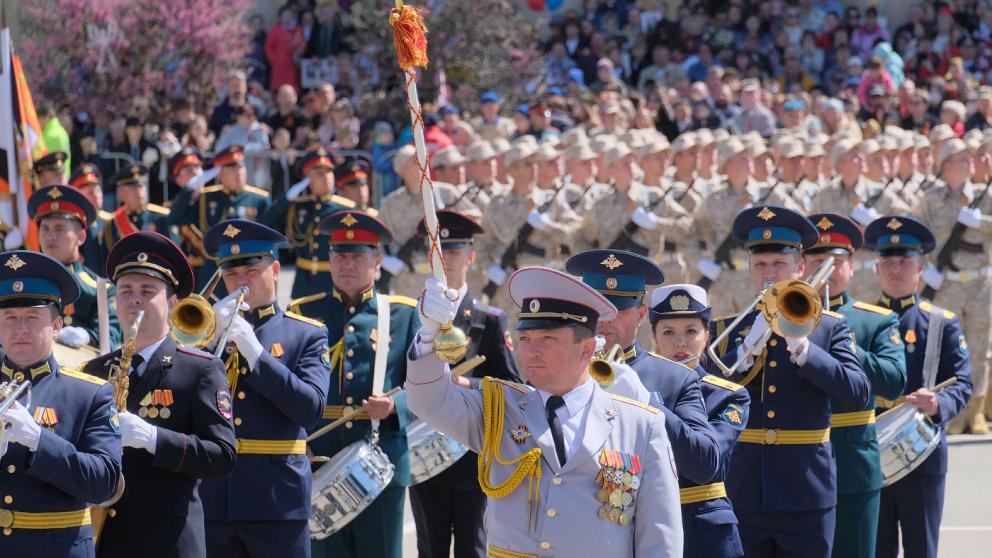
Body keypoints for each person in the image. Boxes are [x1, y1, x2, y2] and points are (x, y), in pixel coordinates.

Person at [407, 265, 684, 556]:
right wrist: (428, 336)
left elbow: (659, 538)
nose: (531, 352)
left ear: (587, 349)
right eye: (526, 339)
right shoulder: (499, 409)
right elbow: (428, 401)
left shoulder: (641, 424)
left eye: (547, 339)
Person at [708, 205, 870, 558]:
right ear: (749, 269)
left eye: (778, 265)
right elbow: (703, 398)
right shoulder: (726, 331)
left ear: (799, 267)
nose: (769, 274)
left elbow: (858, 393)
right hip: (745, 487)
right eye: (760, 265)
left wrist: (807, 351)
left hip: (806, 491)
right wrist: (742, 355)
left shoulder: (828, 327)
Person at [82, 232, 237, 557]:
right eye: (125, 291)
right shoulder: (94, 371)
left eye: (147, 291)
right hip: (106, 540)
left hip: (170, 542)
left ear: (172, 301)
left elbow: (222, 456)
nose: (134, 299)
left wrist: (153, 438)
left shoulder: (200, 369)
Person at [197, 220, 330, 557]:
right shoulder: (207, 335)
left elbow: (310, 409)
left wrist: (254, 351)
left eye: (250, 268)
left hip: (277, 503)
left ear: (274, 270)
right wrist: (206, 344)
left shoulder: (306, 335)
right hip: (215, 499)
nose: (239, 280)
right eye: (230, 272)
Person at [304, 210, 420, 558]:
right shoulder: (303, 314)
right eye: (340, 255)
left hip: (380, 461)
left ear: (378, 261)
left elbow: (426, 387)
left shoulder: (402, 313)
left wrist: (394, 407)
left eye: (357, 256)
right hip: (319, 461)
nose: (347, 264)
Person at [407, 210, 521, 558]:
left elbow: (513, 387)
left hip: (473, 458)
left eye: (454, 251)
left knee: (474, 548)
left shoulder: (489, 319)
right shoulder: (414, 315)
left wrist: (468, 384)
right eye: (439, 251)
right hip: (425, 456)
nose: (446, 260)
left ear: (471, 257)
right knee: (430, 549)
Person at [864, 216, 973, 558]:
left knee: (921, 548)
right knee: (874, 548)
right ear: (876, 268)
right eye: (888, 262)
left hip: (922, 449)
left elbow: (963, 381)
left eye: (904, 262)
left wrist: (938, 402)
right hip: (869, 450)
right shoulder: (859, 320)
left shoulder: (942, 322)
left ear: (921, 267)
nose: (896, 270)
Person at [0, 250, 122, 557]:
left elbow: (105, 483)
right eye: (10, 318)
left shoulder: (89, 393)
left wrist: (41, 442)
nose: (21, 329)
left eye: (32, 317)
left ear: (56, 325)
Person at [565, 250, 720, 489]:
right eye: (598, 309)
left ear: (641, 314)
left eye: (618, 310)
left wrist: (647, 402)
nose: (606, 320)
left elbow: (704, 464)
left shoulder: (676, 378)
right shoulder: (559, 373)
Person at [803, 213, 907, 558]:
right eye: (817, 262)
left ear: (851, 266)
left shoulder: (875, 319)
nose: (826, 271)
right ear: (802, 266)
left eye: (835, 262)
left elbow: (893, 382)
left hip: (851, 462)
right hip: (797, 462)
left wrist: (841, 342)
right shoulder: (783, 317)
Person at [649, 284, 750, 558]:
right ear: (655, 338)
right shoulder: (634, 386)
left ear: (707, 335)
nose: (680, 343)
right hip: (648, 524)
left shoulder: (729, 396)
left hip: (705, 531)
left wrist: (651, 407)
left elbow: (704, 462)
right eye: (668, 332)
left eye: (691, 331)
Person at [911, 138, 992, 434]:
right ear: (947, 166)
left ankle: (976, 412)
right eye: (962, 158)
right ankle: (953, 412)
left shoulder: (985, 196)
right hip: (946, 284)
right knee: (948, 349)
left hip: (981, 283)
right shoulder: (931, 199)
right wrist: (927, 267)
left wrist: (980, 221)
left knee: (980, 349)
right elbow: (917, 233)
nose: (970, 162)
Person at [260, 148, 355, 318]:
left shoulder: (345, 209)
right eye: (318, 173)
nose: (326, 176)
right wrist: (287, 198)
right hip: (304, 283)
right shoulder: (298, 206)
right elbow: (265, 223)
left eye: (329, 172)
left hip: (332, 281)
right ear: (307, 179)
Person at [27, 184, 122, 349]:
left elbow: (111, 339)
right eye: (45, 228)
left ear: (81, 237)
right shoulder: (25, 283)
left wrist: (87, 336)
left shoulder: (101, 289)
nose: (50, 236)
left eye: (59, 229)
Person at [169, 145, 272, 291]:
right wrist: (189, 189)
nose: (238, 172)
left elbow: (269, 243)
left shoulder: (260, 199)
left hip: (248, 272)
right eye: (231, 168)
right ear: (220, 174)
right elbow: (175, 218)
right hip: (215, 273)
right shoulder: (207, 197)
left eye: (240, 167)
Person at [103, 164, 177, 253]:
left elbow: (174, 255)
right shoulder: (112, 224)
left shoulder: (161, 217)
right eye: (132, 187)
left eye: (141, 185)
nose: (139, 191)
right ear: (120, 194)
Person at [69, 163, 113, 273]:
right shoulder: (71, 224)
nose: (96, 196)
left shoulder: (109, 221)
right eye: (90, 193)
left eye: (98, 191)